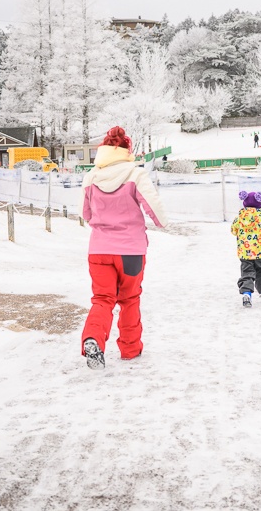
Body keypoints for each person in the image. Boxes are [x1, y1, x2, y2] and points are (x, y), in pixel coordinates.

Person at [80, 126, 168, 370]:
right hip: (131, 251)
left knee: (102, 299)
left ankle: (92, 338)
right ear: (126, 150)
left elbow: (84, 213)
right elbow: (154, 206)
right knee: (129, 299)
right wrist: (162, 222)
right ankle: (130, 349)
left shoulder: (91, 177)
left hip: (98, 251)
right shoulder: (134, 173)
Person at [231, 190, 261, 308]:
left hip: (245, 252)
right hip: (260, 251)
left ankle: (246, 293)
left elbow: (233, 231)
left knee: (247, 272)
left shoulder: (239, 218)